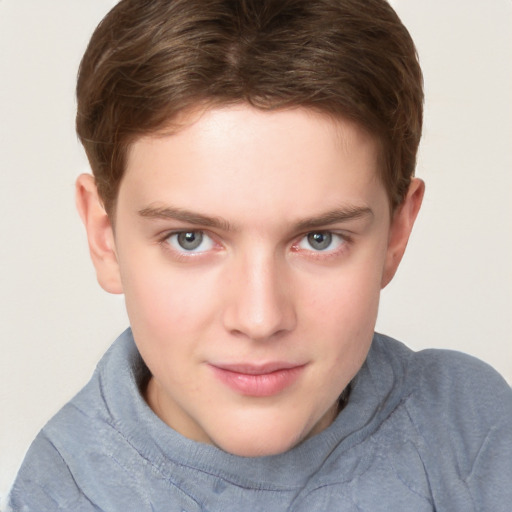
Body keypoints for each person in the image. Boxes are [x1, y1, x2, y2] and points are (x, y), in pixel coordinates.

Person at [8, 0, 512, 510]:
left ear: (397, 233)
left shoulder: (470, 433)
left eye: (320, 239)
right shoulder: (61, 494)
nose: (259, 318)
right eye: (190, 239)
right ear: (104, 236)